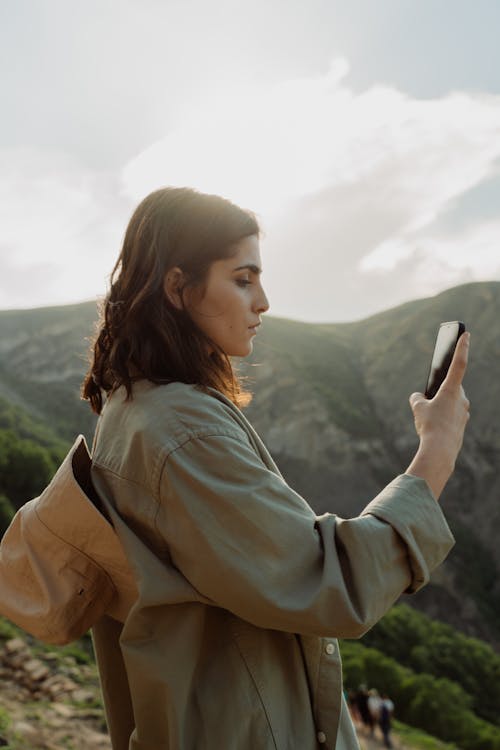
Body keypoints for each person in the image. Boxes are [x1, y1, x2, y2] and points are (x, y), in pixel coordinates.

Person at [81, 186, 470, 750]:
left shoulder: (138, 409)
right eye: (243, 279)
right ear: (178, 287)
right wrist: (436, 452)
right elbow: (326, 583)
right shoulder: (183, 430)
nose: (262, 301)